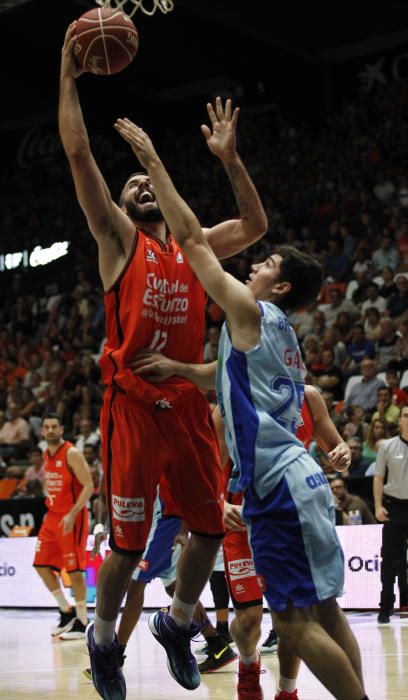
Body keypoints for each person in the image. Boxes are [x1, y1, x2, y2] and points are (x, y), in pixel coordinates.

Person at [120, 119, 369, 700]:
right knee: (327, 611)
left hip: (278, 483)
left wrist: (155, 160)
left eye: (265, 266)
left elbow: (193, 239)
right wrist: (183, 371)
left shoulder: (246, 308)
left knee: (295, 623)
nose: (254, 266)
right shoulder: (275, 332)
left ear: (278, 287)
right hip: (302, 477)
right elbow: (230, 378)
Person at [60, 23, 268, 699]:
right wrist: (69, 75)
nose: (140, 189)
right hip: (131, 407)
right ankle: (100, 640)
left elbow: (256, 227)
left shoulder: (195, 244)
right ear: (119, 208)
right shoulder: (119, 244)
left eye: (146, 184)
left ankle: (178, 623)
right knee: (124, 545)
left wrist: (230, 160)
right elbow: (81, 155)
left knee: (208, 529)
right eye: (132, 188)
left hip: (186, 406)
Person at [33, 414, 93, 639]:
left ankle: (82, 620)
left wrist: (72, 514)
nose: (50, 430)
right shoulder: (45, 453)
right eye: (46, 427)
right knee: (41, 565)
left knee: (75, 570)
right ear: (41, 431)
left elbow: (89, 486)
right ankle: (65, 611)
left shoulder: (71, 453)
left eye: (54, 426)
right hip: (52, 516)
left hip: (72, 517)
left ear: (61, 429)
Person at [374, 404, 408, 624]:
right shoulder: (387, 445)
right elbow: (378, 477)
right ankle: (386, 605)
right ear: (400, 420)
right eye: (406, 415)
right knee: (389, 560)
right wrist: (377, 506)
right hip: (394, 507)